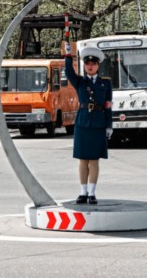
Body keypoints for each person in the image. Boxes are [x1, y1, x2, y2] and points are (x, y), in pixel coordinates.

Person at [64, 42, 113, 203]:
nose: (90, 66)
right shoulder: (80, 82)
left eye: (93, 64)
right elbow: (69, 71)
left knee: (94, 160)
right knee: (83, 160)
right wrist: (68, 55)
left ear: (98, 65)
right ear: (84, 65)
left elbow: (108, 106)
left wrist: (109, 125)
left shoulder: (105, 83)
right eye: (87, 63)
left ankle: (92, 193)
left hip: (98, 124)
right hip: (83, 124)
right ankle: (83, 192)